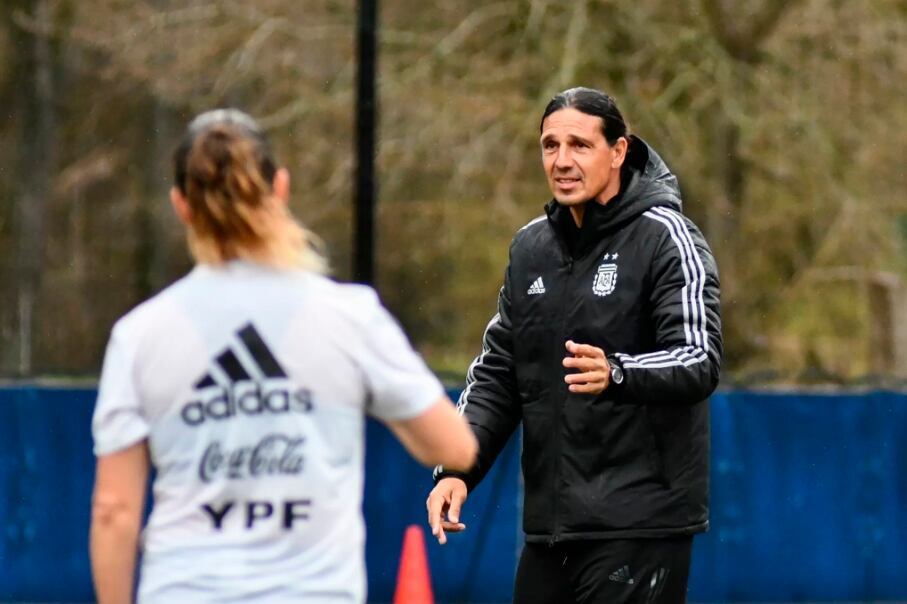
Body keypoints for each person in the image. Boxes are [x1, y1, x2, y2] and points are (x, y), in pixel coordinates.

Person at [89, 109, 477, 604]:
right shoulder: (349, 317)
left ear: (181, 205)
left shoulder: (139, 335)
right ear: (281, 189)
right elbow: (455, 448)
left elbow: (113, 510)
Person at [426, 87, 722, 603]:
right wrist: (457, 469)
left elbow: (698, 356)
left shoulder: (667, 237)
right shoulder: (530, 247)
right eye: (550, 145)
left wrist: (620, 372)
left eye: (580, 146)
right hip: (552, 530)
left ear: (619, 151)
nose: (562, 161)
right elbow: (498, 373)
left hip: (640, 524)